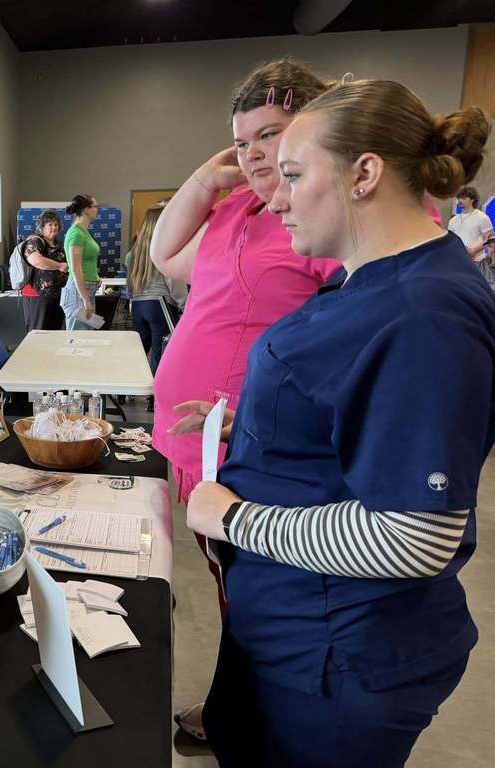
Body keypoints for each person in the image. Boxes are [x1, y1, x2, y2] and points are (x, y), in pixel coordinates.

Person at [182, 80, 492, 766]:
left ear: (365, 173)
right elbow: (351, 407)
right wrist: (259, 426)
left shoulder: (424, 315)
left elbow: (414, 537)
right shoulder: (370, 278)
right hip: (286, 627)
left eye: (292, 175)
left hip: (337, 649)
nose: (276, 196)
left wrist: (233, 519)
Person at [149, 59, 339, 739]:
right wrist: (209, 178)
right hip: (197, 439)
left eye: (272, 134)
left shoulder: (319, 214)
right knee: (236, 586)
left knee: (256, 593)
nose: (256, 153)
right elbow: (166, 256)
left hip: (250, 445)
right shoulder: (239, 209)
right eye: (243, 139)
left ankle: (246, 720)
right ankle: (234, 712)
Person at [124, 202, 187, 410]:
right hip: (160, 304)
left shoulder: (135, 251)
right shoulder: (164, 247)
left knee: (138, 351)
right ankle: (155, 398)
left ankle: (127, 392)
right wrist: (184, 304)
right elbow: (173, 280)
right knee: (162, 352)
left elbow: (130, 281)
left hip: (138, 304)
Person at [20, 209, 69, 332]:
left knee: (54, 335)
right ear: (41, 227)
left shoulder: (59, 245)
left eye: (56, 224)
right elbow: (37, 261)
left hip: (57, 296)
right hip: (38, 296)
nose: (54, 227)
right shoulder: (34, 241)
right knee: (37, 333)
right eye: (50, 224)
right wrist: (59, 265)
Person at [60, 194, 101, 330]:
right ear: (87, 210)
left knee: (85, 341)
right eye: (96, 206)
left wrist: (95, 277)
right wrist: (85, 299)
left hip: (86, 291)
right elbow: (75, 269)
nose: (97, 209)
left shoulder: (83, 232)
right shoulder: (76, 233)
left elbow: (86, 263)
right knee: (77, 342)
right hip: (78, 294)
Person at [448, 185, 494, 286]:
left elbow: (490, 240)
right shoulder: (453, 220)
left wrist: (474, 250)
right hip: (458, 261)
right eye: (459, 197)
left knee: (483, 289)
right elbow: (450, 240)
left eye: (464, 198)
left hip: (476, 262)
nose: (460, 200)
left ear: (472, 199)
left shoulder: (482, 217)